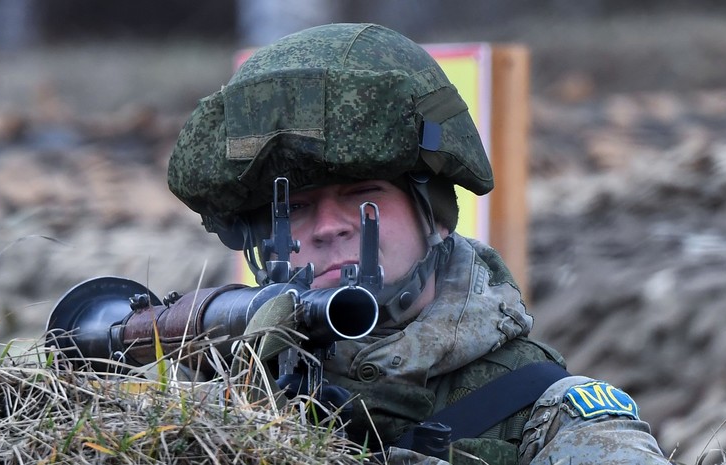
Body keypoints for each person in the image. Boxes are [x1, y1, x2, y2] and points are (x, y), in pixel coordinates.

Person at [166, 22, 670, 465]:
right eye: (293, 207)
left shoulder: (549, 415)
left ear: (437, 217)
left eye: (364, 195)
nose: (328, 227)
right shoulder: (207, 401)